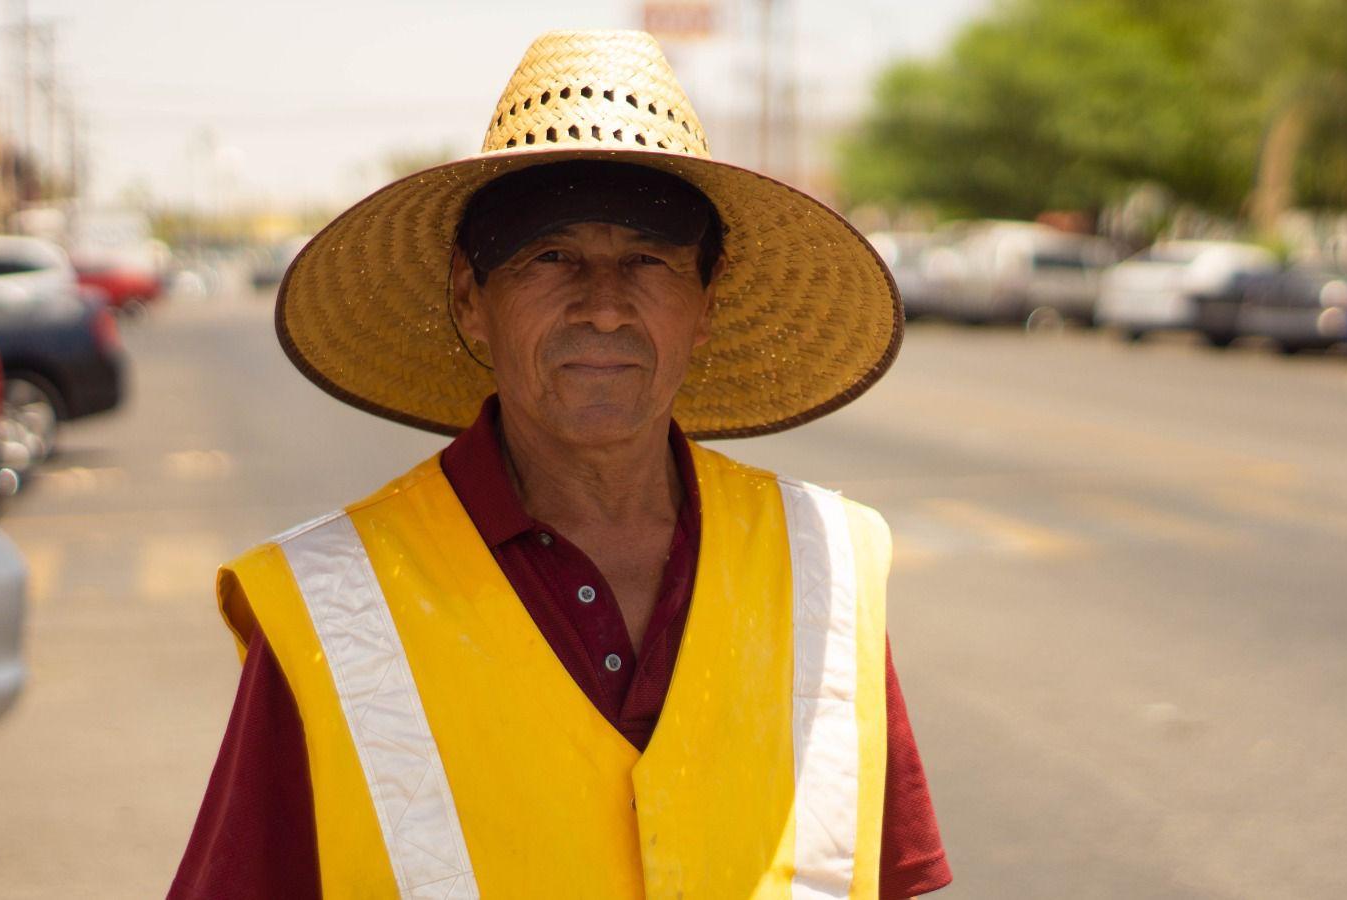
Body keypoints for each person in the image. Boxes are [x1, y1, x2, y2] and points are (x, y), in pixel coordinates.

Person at [170, 30, 950, 899]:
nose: (606, 307)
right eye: (551, 258)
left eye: (648, 261)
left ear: (707, 301)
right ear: (472, 300)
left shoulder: (828, 566)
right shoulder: (327, 606)